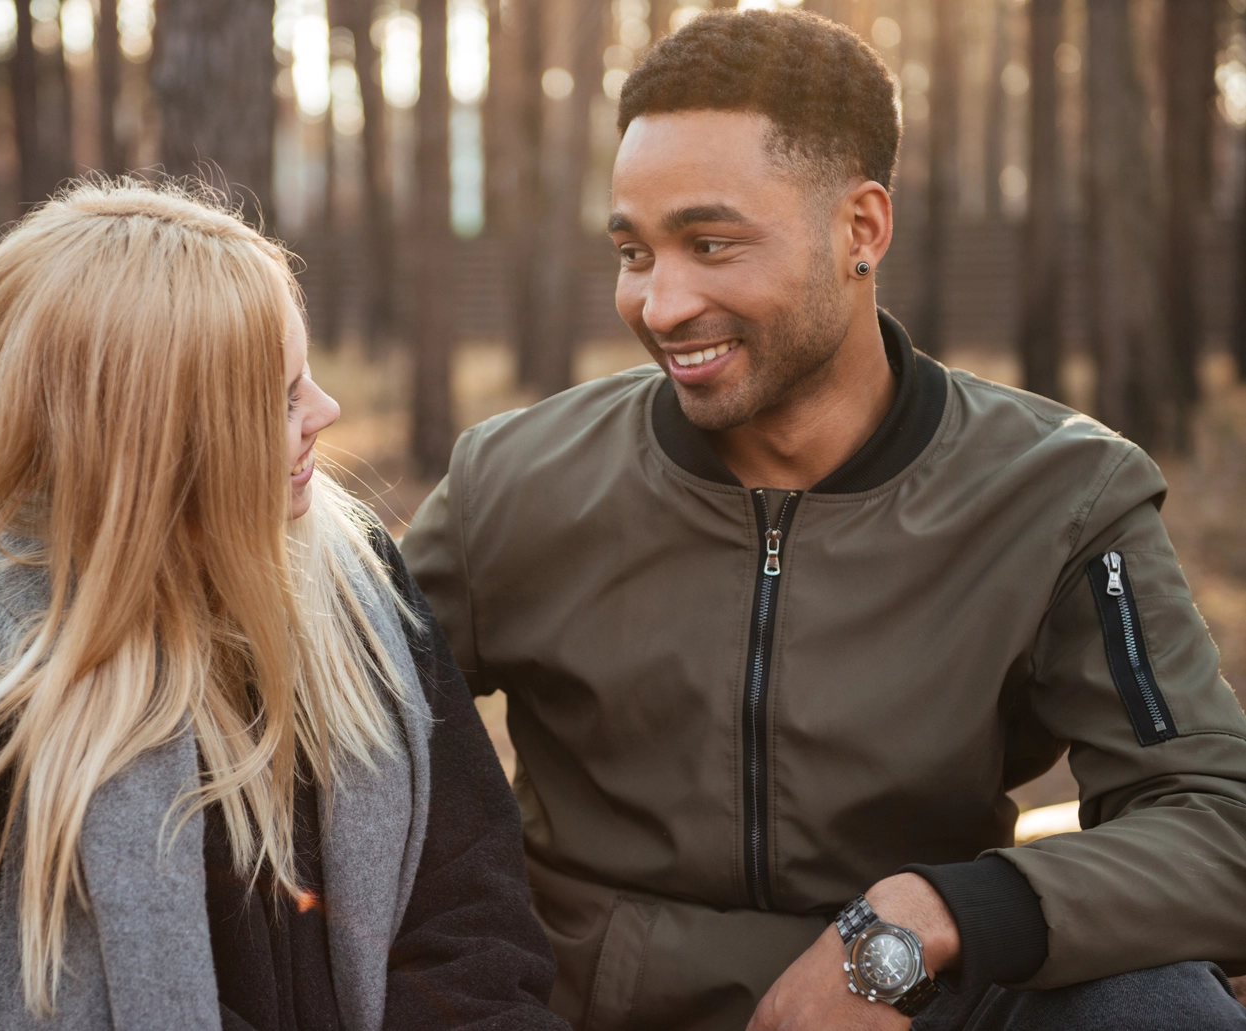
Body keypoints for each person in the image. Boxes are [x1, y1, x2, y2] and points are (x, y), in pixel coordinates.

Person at [400, 11, 1246, 1031]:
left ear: (862, 228)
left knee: (1160, 1004)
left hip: (919, 1003)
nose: (660, 305)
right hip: (578, 1008)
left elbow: (1217, 823)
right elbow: (332, 740)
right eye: (635, 250)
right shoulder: (513, 482)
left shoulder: (1059, 500)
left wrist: (926, 918)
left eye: (711, 244)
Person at [0, 180, 570, 1031]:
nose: (327, 412)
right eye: (280, 398)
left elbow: (476, 919)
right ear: (158, 445)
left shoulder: (361, 584)